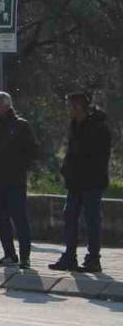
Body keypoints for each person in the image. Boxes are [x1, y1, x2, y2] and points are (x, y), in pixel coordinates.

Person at [50, 92, 112, 273]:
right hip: (75, 181)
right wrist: (66, 169)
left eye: (69, 105)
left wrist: (82, 168)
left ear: (78, 107)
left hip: (92, 181)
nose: (67, 109)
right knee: (69, 217)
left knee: (92, 220)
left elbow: (99, 156)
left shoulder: (98, 127)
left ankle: (93, 259)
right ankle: (69, 256)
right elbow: (72, 150)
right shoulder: (74, 125)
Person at [0, 92, 37, 269]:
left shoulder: (21, 126)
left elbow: (32, 150)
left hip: (15, 181)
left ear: (5, 105)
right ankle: (9, 255)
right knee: (1, 219)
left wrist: (19, 166)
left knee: (20, 218)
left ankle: (25, 257)